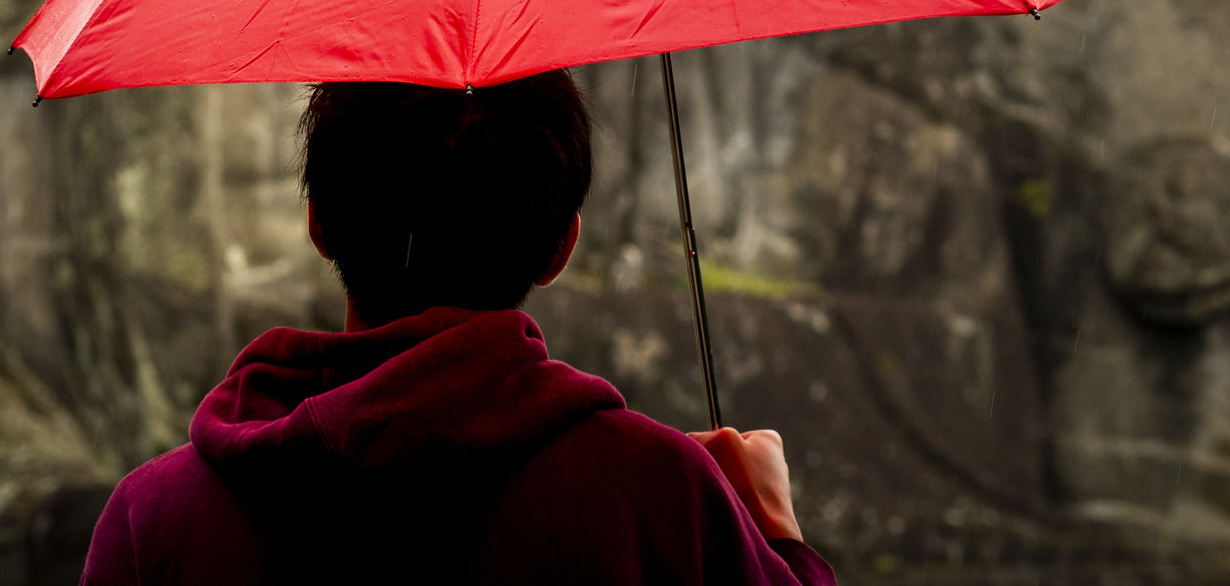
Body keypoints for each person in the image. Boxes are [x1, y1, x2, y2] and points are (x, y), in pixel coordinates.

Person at [80, 73, 834, 584]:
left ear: (318, 223)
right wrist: (774, 531)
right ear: (561, 245)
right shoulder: (659, 496)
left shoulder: (154, 522)